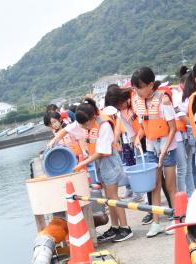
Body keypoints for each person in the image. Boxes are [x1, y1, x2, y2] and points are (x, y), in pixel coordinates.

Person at [73, 101, 133, 243]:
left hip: (109, 162)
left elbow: (102, 151)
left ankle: (125, 228)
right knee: (108, 197)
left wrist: (83, 163)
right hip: (100, 162)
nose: (85, 127)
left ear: (93, 117)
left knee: (113, 196)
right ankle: (115, 227)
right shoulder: (92, 122)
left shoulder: (104, 124)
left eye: (86, 124)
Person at [131, 67, 177, 237]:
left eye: (139, 87)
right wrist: (138, 137)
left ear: (151, 85)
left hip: (167, 146)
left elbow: (172, 129)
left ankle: (176, 218)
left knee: (171, 185)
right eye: (135, 88)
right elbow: (144, 124)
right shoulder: (138, 102)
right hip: (151, 147)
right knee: (154, 186)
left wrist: (164, 151)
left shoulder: (164, 100)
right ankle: (156, 223)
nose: (136, 91)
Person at [172, 66, 196, 196]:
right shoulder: (175, 94)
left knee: (188, 168)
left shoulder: (187, 94)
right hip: (178, 136)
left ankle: (191, 194)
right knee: (182, 169)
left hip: (188, 134)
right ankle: (182, 196)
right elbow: (181, 115)